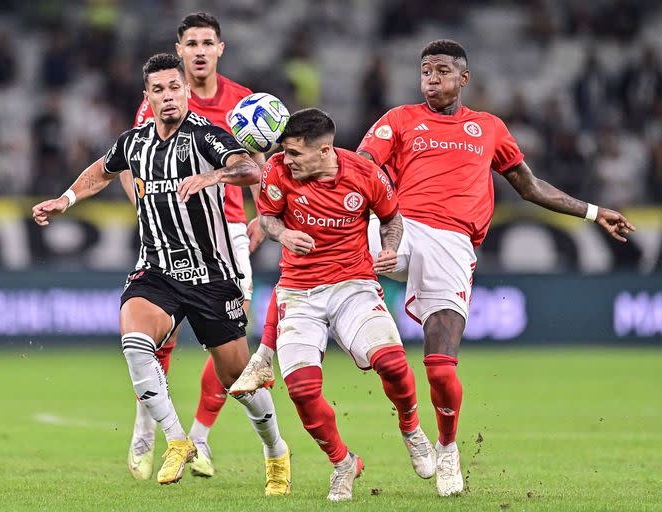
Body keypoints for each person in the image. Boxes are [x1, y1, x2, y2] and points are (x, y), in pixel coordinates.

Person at [237, 39, 636, 497]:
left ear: (464, 78)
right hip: (397, 223)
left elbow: (528, 187)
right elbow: (357, 166)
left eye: (442, 71)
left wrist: (591, 211)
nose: (432, 79)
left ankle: (445, 448)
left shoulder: (488, 128)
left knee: (440, 368)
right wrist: (280, 205)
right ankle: (266, 353)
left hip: (451, 243)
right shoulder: (399, 119)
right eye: (426, 71)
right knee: (313, 250)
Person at [32, 53, 291, 494]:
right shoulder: (134, 143)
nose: (168, 96)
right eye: (159, 90)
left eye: (175, 87)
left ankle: (275, 452)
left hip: (212, 275)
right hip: (158, 271)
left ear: (186, 91)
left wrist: (213, 178)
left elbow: (252, 167)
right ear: (147, 96)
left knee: (239, 381)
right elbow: (101, 170)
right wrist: (66, 199)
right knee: (134, 342)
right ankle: (176, 440)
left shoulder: (206, 136)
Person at [118, 12, 271, 480]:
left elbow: (261, 160)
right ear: (179, 49)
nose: (200, 50)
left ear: (220, 49)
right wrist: (147, 206)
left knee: (228, 345)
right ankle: (151, 430)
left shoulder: (244, 102)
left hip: (227, 232)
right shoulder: (160, 99)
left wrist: (263, 214)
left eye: (208, 42)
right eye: (191, 43)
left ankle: (199, 438)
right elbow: (128, 160)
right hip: (168, 232)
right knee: (154, 333)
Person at [258, 108, 434, 501]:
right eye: (285, 153)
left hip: (353, 285)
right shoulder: (276, 170)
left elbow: (392, 219)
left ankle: (412, 429)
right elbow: (267, 218)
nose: (286, 160)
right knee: (302, 390)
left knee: (391, 361)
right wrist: (284, 234)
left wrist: (389, 248)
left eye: (294, 154)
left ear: (324, 151)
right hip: (299, 292)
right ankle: (343, 462)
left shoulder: (366, 174)